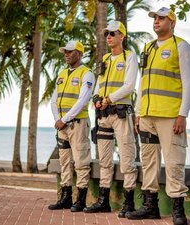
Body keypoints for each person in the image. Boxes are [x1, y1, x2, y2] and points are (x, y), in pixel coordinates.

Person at [125, 7, 190, 225]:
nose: (156, 21)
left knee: (174, 162)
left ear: (172, 22)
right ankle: (150, 206)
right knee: (148, 163)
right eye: (155, 18)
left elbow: (189, 83)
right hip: (147, 117)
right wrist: (138, 113)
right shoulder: (148, 48)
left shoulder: (181, 46)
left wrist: (182, 114)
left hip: (170, 117)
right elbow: (142, 83)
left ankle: (178, 209)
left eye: (161, 18)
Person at [83, 21, 138, 218]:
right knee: (104, 159)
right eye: (107, 33)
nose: (109, 37)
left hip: (121, 114)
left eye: (113, 33)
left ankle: (129, 203)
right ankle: (103, 201)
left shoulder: (130, 57)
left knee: (127, 157)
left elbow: (129, 86)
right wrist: (97, 99)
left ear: (122, 36)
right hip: (103, 116)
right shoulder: (105, 58)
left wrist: (108, 99)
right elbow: (99, 82)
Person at [48, 40, 95, 212]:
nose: (66, 54)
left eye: (70, 51)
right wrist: (57, 119)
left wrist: (65, 119)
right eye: (65, 52)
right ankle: (65, 197)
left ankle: (80, 200)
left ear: (80, 53)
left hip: (77, 125)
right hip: (62, 126)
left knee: (81, 162)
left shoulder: (87, 74)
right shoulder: (62, 74)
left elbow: (82, 101)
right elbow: (54, 99)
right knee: (64, 161)